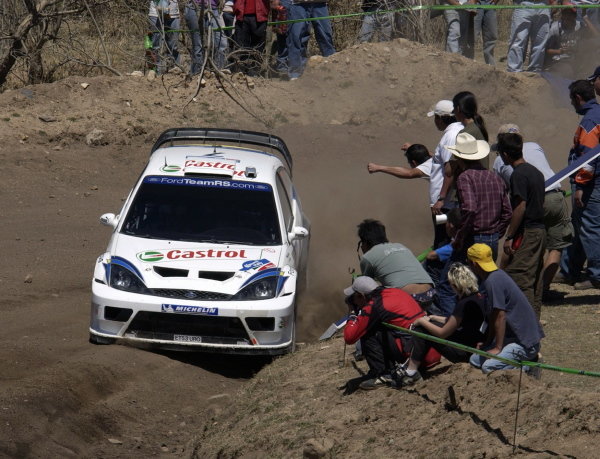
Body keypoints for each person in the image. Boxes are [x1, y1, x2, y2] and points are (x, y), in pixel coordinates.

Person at [491, 124, 572, 302]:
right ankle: (543, 289)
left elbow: (503, 192)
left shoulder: (501, 162)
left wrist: (507, 229)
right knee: (556, 246)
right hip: (555, 197)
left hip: (531, 204)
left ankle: (500, 282)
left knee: (517, 242)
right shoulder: (535, 146)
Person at [395, 263, 486, 387]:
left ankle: (411, 371)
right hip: (473, 344)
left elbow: (442, 334)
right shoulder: (477, 297)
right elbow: (454, 321)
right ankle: (411, 364)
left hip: (463, 352)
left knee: (423, 329)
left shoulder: (463, 304)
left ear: (455, 285)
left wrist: (422, 321)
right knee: (429, 323)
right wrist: (433, 317)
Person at [343, 276, 440, 390]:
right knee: (377, 324)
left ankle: (383, 374)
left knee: (368, 330)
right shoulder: (396, 291)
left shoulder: (374, 306)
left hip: (417, 358)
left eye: (354, 298)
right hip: (433, 351)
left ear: (361, 295)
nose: (354, 301)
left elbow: (349, 337)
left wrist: (353, 314)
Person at [467, 244, 544, 374]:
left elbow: (500, 316)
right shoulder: (495, 276)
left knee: (488, 367)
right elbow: (493, 317)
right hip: (511, 338)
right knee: (474, 360)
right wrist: (488, 342)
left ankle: (528, 367)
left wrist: (497, 347)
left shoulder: (493, 281)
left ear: (474, 264)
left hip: (525, 344)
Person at [497, 132, 547, 318]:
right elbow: (540, 203)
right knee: (535, 279)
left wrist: (510, 236)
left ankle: (525, 324)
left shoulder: (518, 175)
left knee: (520, 278)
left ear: (506, 155)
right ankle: (533, 321)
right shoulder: (536, 172)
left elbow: (520, 206)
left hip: (528, 231)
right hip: (540, 231)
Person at [559, 79, 600, 289]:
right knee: (579, 226)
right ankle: (569, 270)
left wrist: (581, 186)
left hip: (590, 184)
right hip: (591, 182)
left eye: (572, 100)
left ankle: (597, 275)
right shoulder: (595, 115)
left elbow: (588, 157)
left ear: (577, 98)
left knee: (590, 227)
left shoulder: (591, 120)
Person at [447, 133, 512, 259]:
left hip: (474, 238)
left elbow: (470, 209)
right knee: (485, 275)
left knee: (455, 274)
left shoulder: (465, 177)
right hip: (492, 238)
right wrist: (496, 233)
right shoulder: (495, 177)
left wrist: (459, 236)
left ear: (458, 157)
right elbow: (507, 212)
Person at [409, 100, 463, 249]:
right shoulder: (458, 130)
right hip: (447, 203)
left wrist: (441, 198)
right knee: (445, 238)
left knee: (442, 240)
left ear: (441, 118)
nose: (435, 122)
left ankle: (439, 271)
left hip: (444, 206)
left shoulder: (451, 135)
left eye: (435, 118)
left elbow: (450, 169)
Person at [357, 219, 438, 312]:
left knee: (373, 297)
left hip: (410, 298)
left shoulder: (368, 257)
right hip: (430, 293)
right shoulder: (400, 246)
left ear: (365, 242)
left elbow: (366, 288)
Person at [432, 91, 490, 219]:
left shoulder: (465, 133)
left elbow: (450, 169)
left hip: (469, 191)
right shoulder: (477, 128)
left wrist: (441, 198)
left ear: (458, 109)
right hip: (480, 188)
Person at [286, 0, 336, 80]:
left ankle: (333, 69)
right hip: (298, 4)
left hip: (320, 4)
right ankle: (295, 73)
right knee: (296, 37)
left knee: (326, 35)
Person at [506, 0, 554, 73]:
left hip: (544, 5)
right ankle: (514, 71)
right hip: (524, 4)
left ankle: (535, 72)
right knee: (518, 40)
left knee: (540, 42)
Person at [184, 0, 228, 74]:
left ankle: (219, 70)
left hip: (213, 9)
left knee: (221, 42)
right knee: (198, 45)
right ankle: (197, 73)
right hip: (195, 8)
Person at [233, 0, 270, 76]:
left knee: (258, 47)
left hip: (260, 15)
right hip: (241, 15)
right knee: (242, 46)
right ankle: (243, 72)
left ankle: (255, 71)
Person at [149, 0, 181, 74]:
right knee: (155, 46)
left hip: (173, 14)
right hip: (155, 13)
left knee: (174, 45)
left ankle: (174, 70)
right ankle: (156, 72)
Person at [367, 143, 431, 180]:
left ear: (414, 163)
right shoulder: (437, 159)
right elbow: (432, 154)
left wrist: (379, 168)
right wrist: (412, 149)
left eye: (409, 162)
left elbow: (409, 173)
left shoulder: (426, 168)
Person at [474, 0, 498, 65]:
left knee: (491, 36)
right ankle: (467, 65)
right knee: (473, 35)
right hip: (476, 3)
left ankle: (490, 66)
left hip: (490, 4)